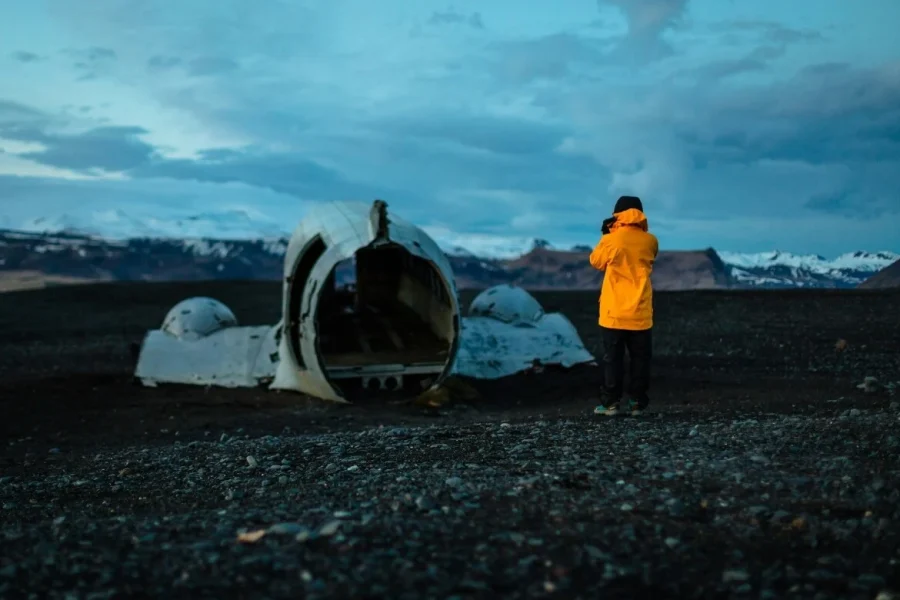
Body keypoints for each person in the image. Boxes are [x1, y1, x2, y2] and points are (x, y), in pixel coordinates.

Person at [588, 195, 659, 417]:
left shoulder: (611, 240)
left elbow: (596, 261)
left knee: (613, 360)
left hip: (613, 312)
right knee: (640, 359)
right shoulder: (651, 241)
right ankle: (637, 403)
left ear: (617, 214)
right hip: (640, 311)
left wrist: (606, 235)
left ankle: (610, 403)